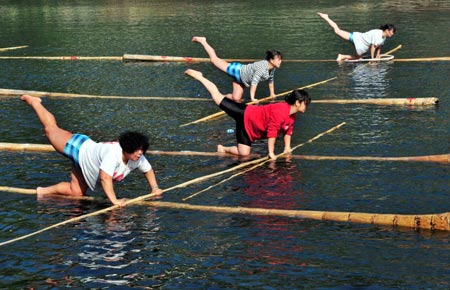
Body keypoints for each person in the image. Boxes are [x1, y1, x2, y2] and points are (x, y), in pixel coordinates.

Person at [20, 95, 163, 206]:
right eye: (136, 150)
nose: (140, 153)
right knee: (50, 129)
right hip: (78, 147)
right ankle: (35, 102)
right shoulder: (113, 155)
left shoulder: (138, 157)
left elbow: (148, 170)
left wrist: (155, 188)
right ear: (126, 149)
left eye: (142, 150)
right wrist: (115, 201)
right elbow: (105, 178)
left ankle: (42, 192)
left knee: (75, 192)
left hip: (85, 163)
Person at [185, 69, 310, 160]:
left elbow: (288, 131)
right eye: (305, 103)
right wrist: (271, 153)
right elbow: (272, 132)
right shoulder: (281, 111)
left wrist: (287, 148)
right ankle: (200, 77)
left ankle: (223, 148)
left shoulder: (292, 115)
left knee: (244, 153)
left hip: (249, 129)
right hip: (245, 114)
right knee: (218, 97)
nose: (307, 106)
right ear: (297, 103)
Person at [192, 36, 282, 103]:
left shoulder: (272, 68)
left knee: (236, 99)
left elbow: (271, 81)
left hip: (242, 80)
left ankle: (221, 97)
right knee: (214, 60)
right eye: (278, 60)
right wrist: (253, 98)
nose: (280, 62)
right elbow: (254, 83)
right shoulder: (262, 67)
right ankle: (203, 41)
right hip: (237, 71)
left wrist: (272, 94)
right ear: (271, 60)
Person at [317, 13, 396, 61]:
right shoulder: (378, 34)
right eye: (392, 32)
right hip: (357, 38)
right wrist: (373, 59)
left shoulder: (384, 37)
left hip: (362, 44)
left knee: (358, 58)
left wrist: (378, 55)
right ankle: (326, 17)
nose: (392, 34)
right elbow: (373, 47)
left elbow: (379, 46)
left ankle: (342, 56)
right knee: (337, 31)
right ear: (387, 30)